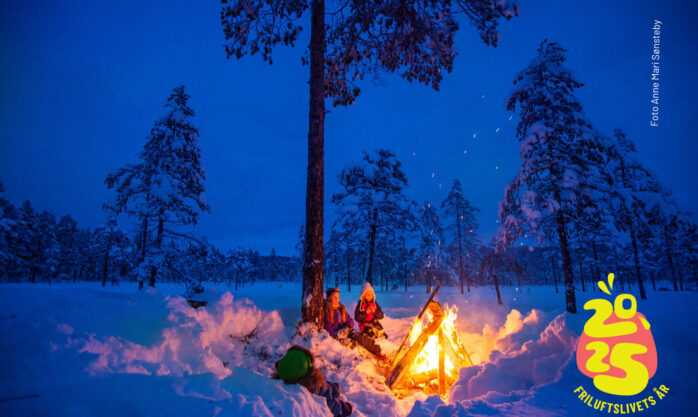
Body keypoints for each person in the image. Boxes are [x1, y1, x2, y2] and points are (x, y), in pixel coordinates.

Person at [273, 345, 353, 417]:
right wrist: (342, 408)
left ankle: (334, 388)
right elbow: (329, 404)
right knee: (323, 389)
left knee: (324, 386)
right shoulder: (312, 387)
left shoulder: (286, 372)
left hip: (298, 373)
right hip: (312, 382)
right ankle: (334, 390)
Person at [324, 287, 385, 360]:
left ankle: (378, 352)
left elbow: (350, 321)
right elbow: (328, 328)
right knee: (352, 345)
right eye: (335, 297)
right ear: (329, 298)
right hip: (338, 335)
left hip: (347, 330)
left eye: (338, 297)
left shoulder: (341, 309)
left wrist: (347, 327)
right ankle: (364, 359)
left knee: (361, 337)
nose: (337, 300)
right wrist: (336, 336)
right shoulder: (326, 311)